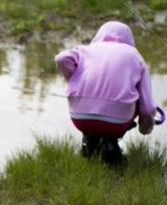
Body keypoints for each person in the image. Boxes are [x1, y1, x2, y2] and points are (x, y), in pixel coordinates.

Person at [54, 21, 158, 167]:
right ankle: (110, 143)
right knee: (134, 98)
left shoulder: (85, 50)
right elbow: (147, 107)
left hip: (80, 118)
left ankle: (90, 141)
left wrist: (72, 78)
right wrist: (145, 128)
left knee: (102, 106)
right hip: (116, 122)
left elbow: (61, 58)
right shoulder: (134, 55)